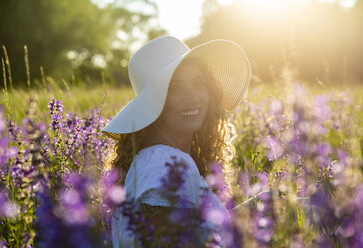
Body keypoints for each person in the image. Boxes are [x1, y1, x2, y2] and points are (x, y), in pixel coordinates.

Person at [102, 36, 252, 247]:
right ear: (154, 104)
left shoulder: (159, 159)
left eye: (199, 84)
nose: (192, 98)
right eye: (175, 88)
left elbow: (199, 233)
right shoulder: (166, 162)